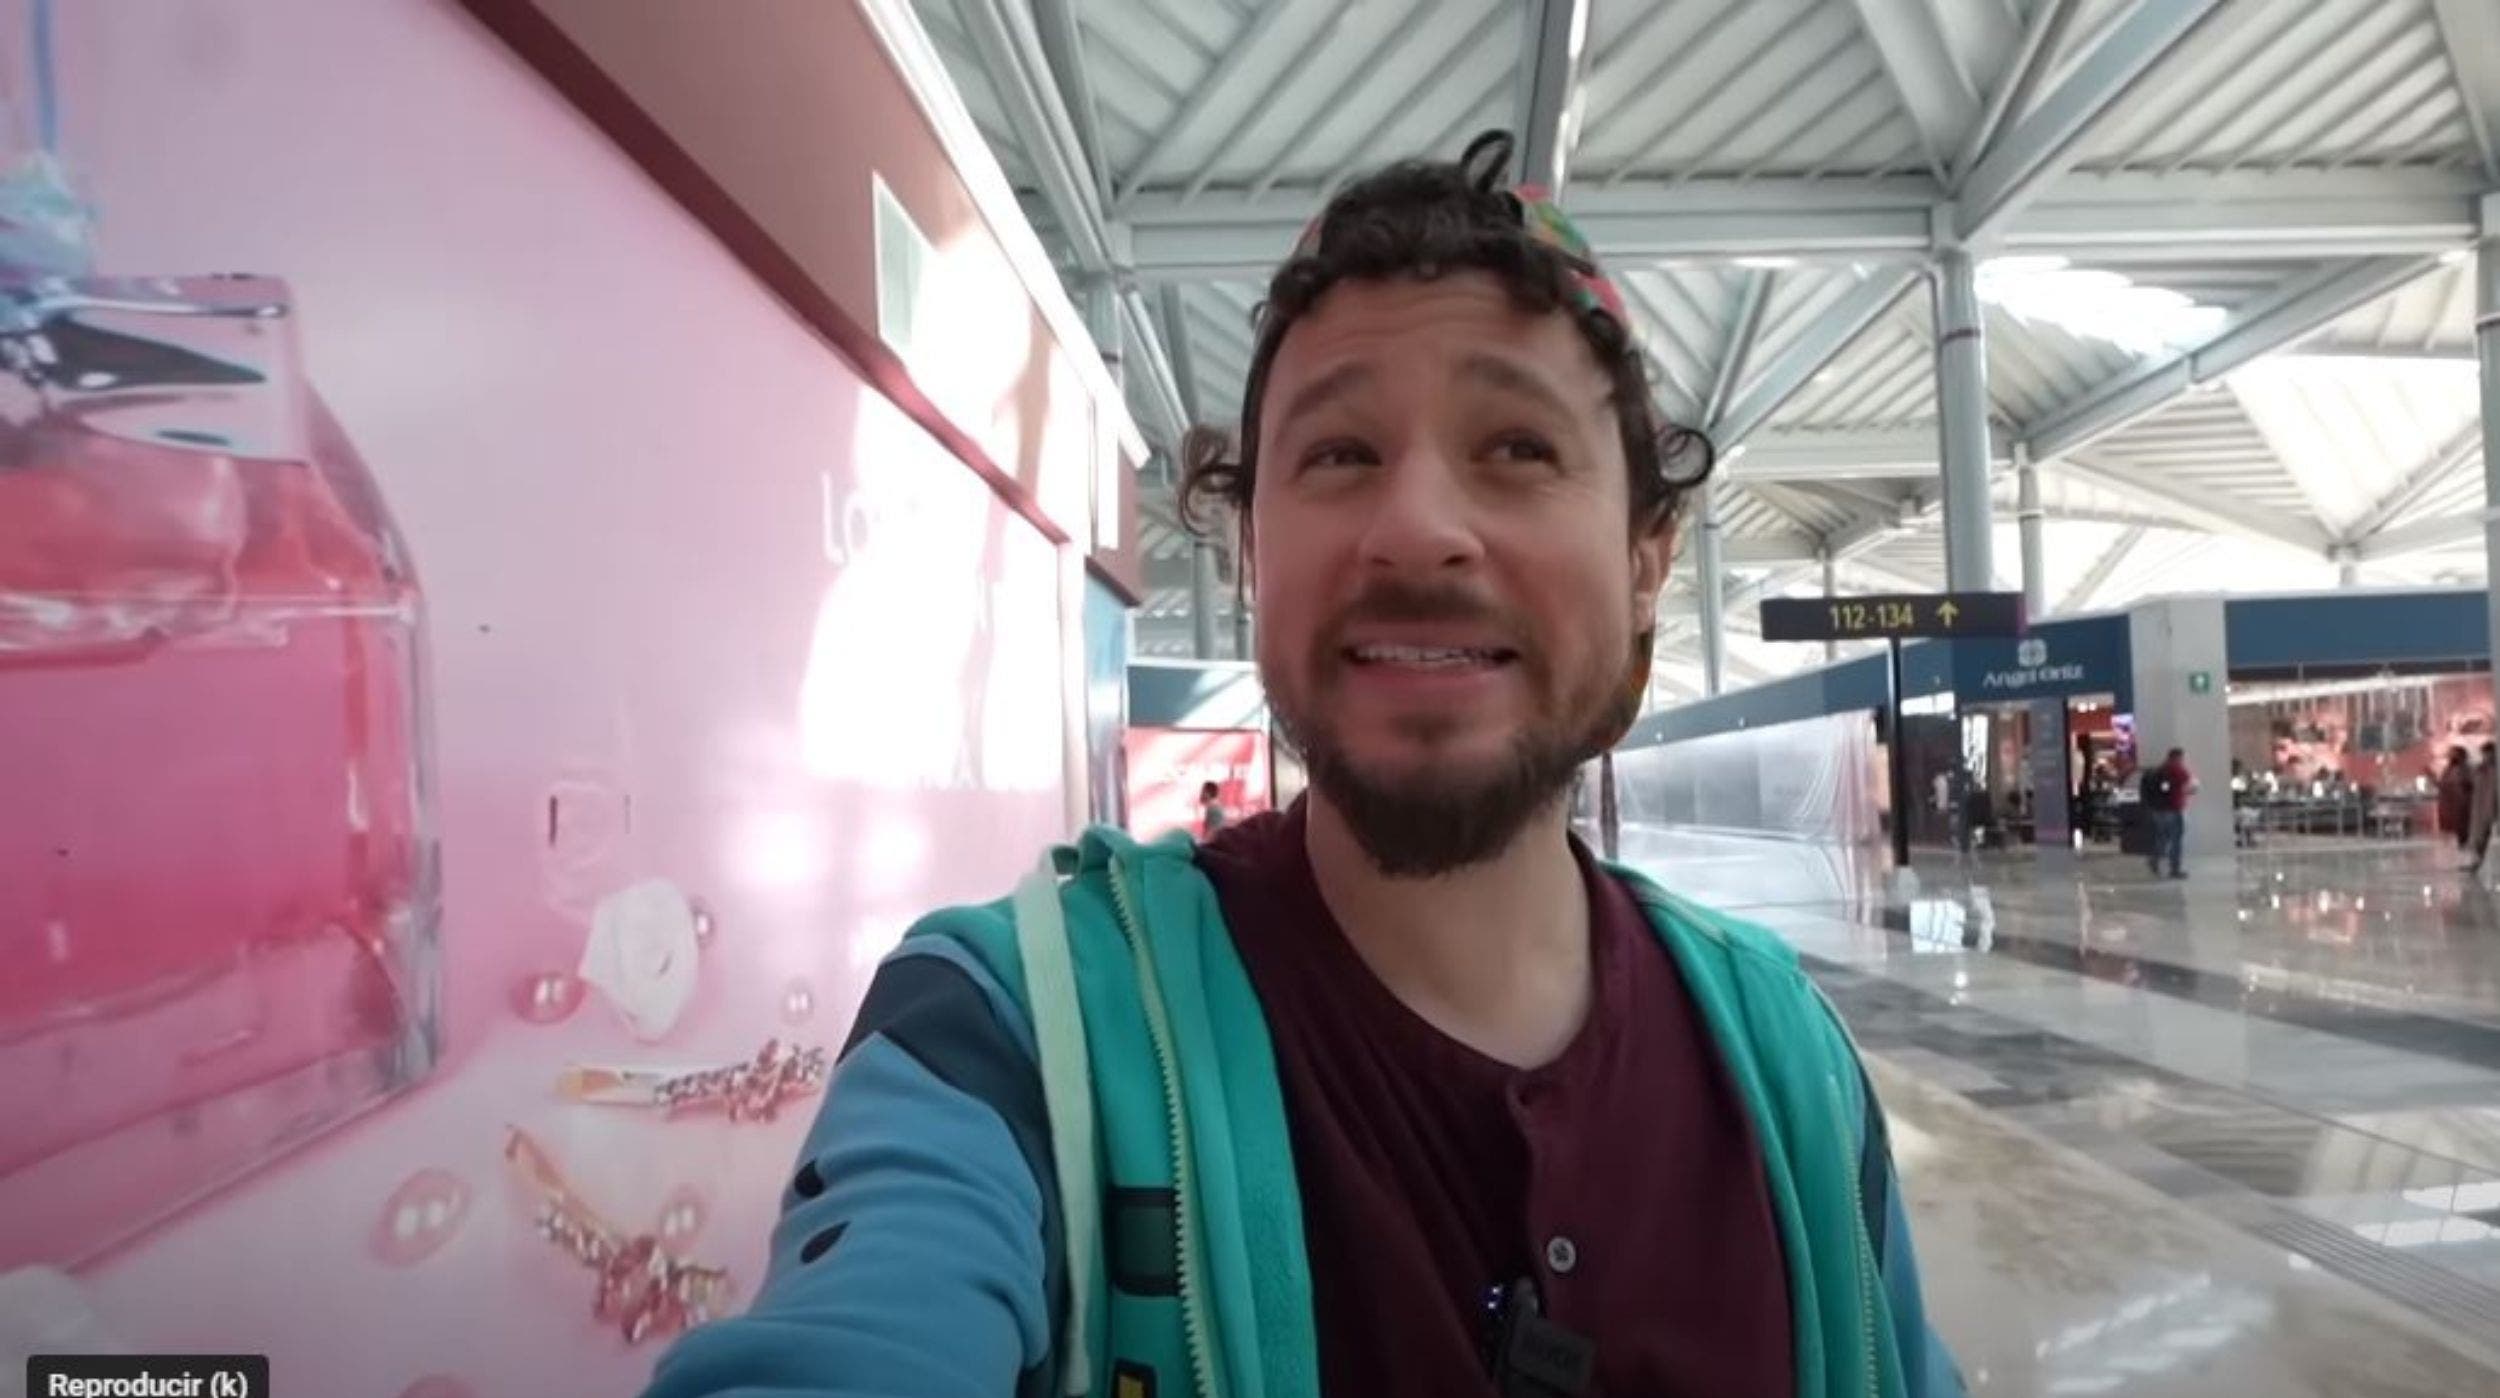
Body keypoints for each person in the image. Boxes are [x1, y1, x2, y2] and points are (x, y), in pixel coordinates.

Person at [639, 130, 1963, 1398]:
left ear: (1645, 560)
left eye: (1517, 448)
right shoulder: (1018, 1036)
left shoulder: (1785, 1062)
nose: (1418, 528)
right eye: (1338, 454)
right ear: (1251, 557)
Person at [2140, 747, 2196, 878]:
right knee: (2176, 840)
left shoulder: (2158, 770)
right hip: (2172, 809)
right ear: (2178, 757)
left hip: (2157, 810)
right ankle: (2174, 869)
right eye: (2181, 758)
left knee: (2162, 837)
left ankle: (2154, 859)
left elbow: (2164, 788)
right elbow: (2190, 784)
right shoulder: (2176, 769)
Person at [2468, 743, 2498, 876]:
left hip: (2492, 804)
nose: (2486, 756)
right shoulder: (2480, 770)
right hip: (2483, 806)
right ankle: (2477, 861)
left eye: (2488, 753)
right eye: (2484, 754)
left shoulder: (2494, 769)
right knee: (2479, 835)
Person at [2440, 745, 2474, 851]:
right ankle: (2462, 845)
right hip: (2454, 804)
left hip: (2464, 803)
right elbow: (2443, 785)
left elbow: (2470, 783)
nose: (2451, 757)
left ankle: (2465, 844)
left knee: (2464, 826)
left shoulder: (2467, 769)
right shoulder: (2448, 770)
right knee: (2459, 827)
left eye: (2454, 754)